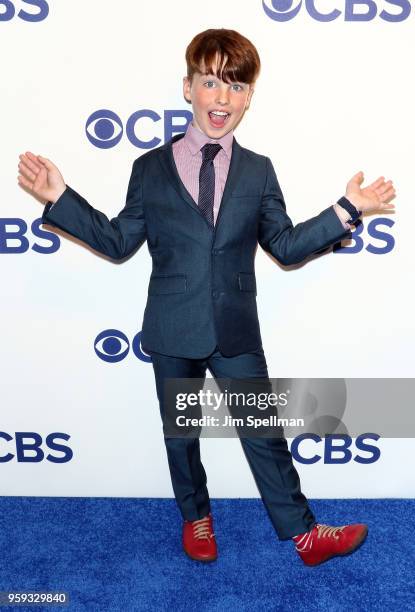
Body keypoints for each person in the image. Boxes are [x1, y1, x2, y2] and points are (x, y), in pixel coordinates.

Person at [17, 28, 395, 566]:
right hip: (173, 326)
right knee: (181, 438)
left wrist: (345, 210)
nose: (222, 98)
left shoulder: (259, 169)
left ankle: (306, 536)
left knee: (263, 435)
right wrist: (60, 196)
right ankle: (196, 519)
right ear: (189, 87)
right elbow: (118, 242)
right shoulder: (149, 169)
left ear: (249, 98)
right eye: (212, 82)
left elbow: (285, 247)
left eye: (236, 87)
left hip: (236, 327)